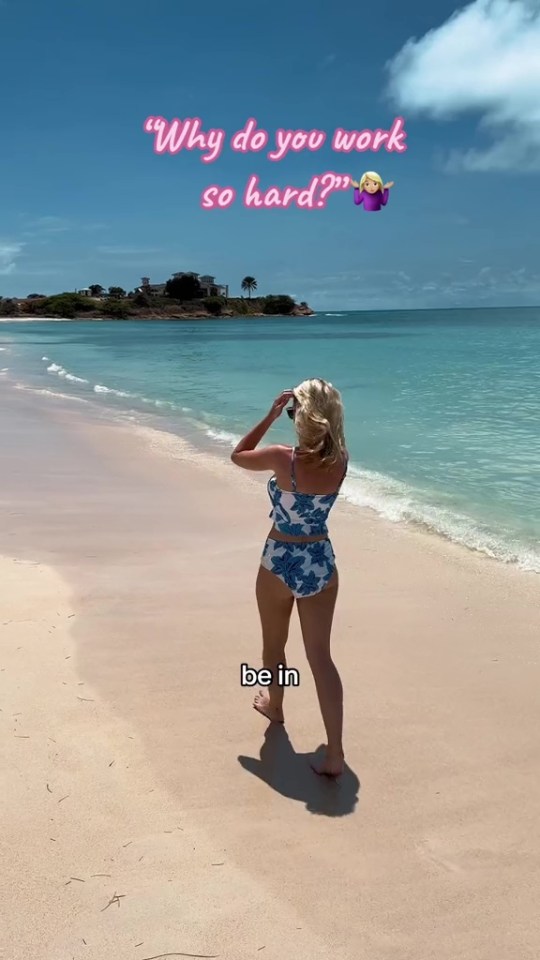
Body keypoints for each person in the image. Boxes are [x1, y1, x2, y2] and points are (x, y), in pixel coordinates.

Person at [231, 378, 349, 777]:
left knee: (273, 647)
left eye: (292, 410)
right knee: (321, 658)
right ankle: (335, 754)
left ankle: (276, 706)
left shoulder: (283, 459)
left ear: (301, 415)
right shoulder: (341, 460)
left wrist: (268, 415)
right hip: (320, 559)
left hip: (280, 559)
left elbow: (238, 454)